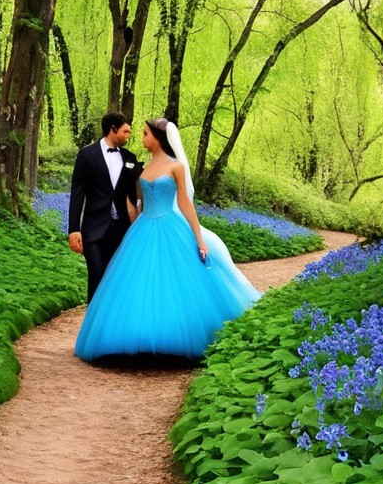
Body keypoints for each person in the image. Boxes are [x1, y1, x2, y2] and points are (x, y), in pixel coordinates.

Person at [74, 117, 260, 360]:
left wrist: (198, 237)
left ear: (158, 138)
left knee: (172, 282)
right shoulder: (144, 166)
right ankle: (137, 337)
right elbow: (135, 200)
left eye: (145, 134)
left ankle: (172, 338)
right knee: (137, 283)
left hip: (170, 226)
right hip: (143, 228)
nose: (141, 138)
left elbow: (184, 203)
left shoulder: (176, 167)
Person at [68, 112, 140, 302]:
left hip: (120, 230)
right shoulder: (87, 155)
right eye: (125, 131)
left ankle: (111, 326)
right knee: (97, 274)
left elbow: (140, 190)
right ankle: (93, 325)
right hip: (93, 229)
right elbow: (77, 193)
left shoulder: (130, 157)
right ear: (113, 129)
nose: (128, 135)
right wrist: (74, 229)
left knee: (116, 279)